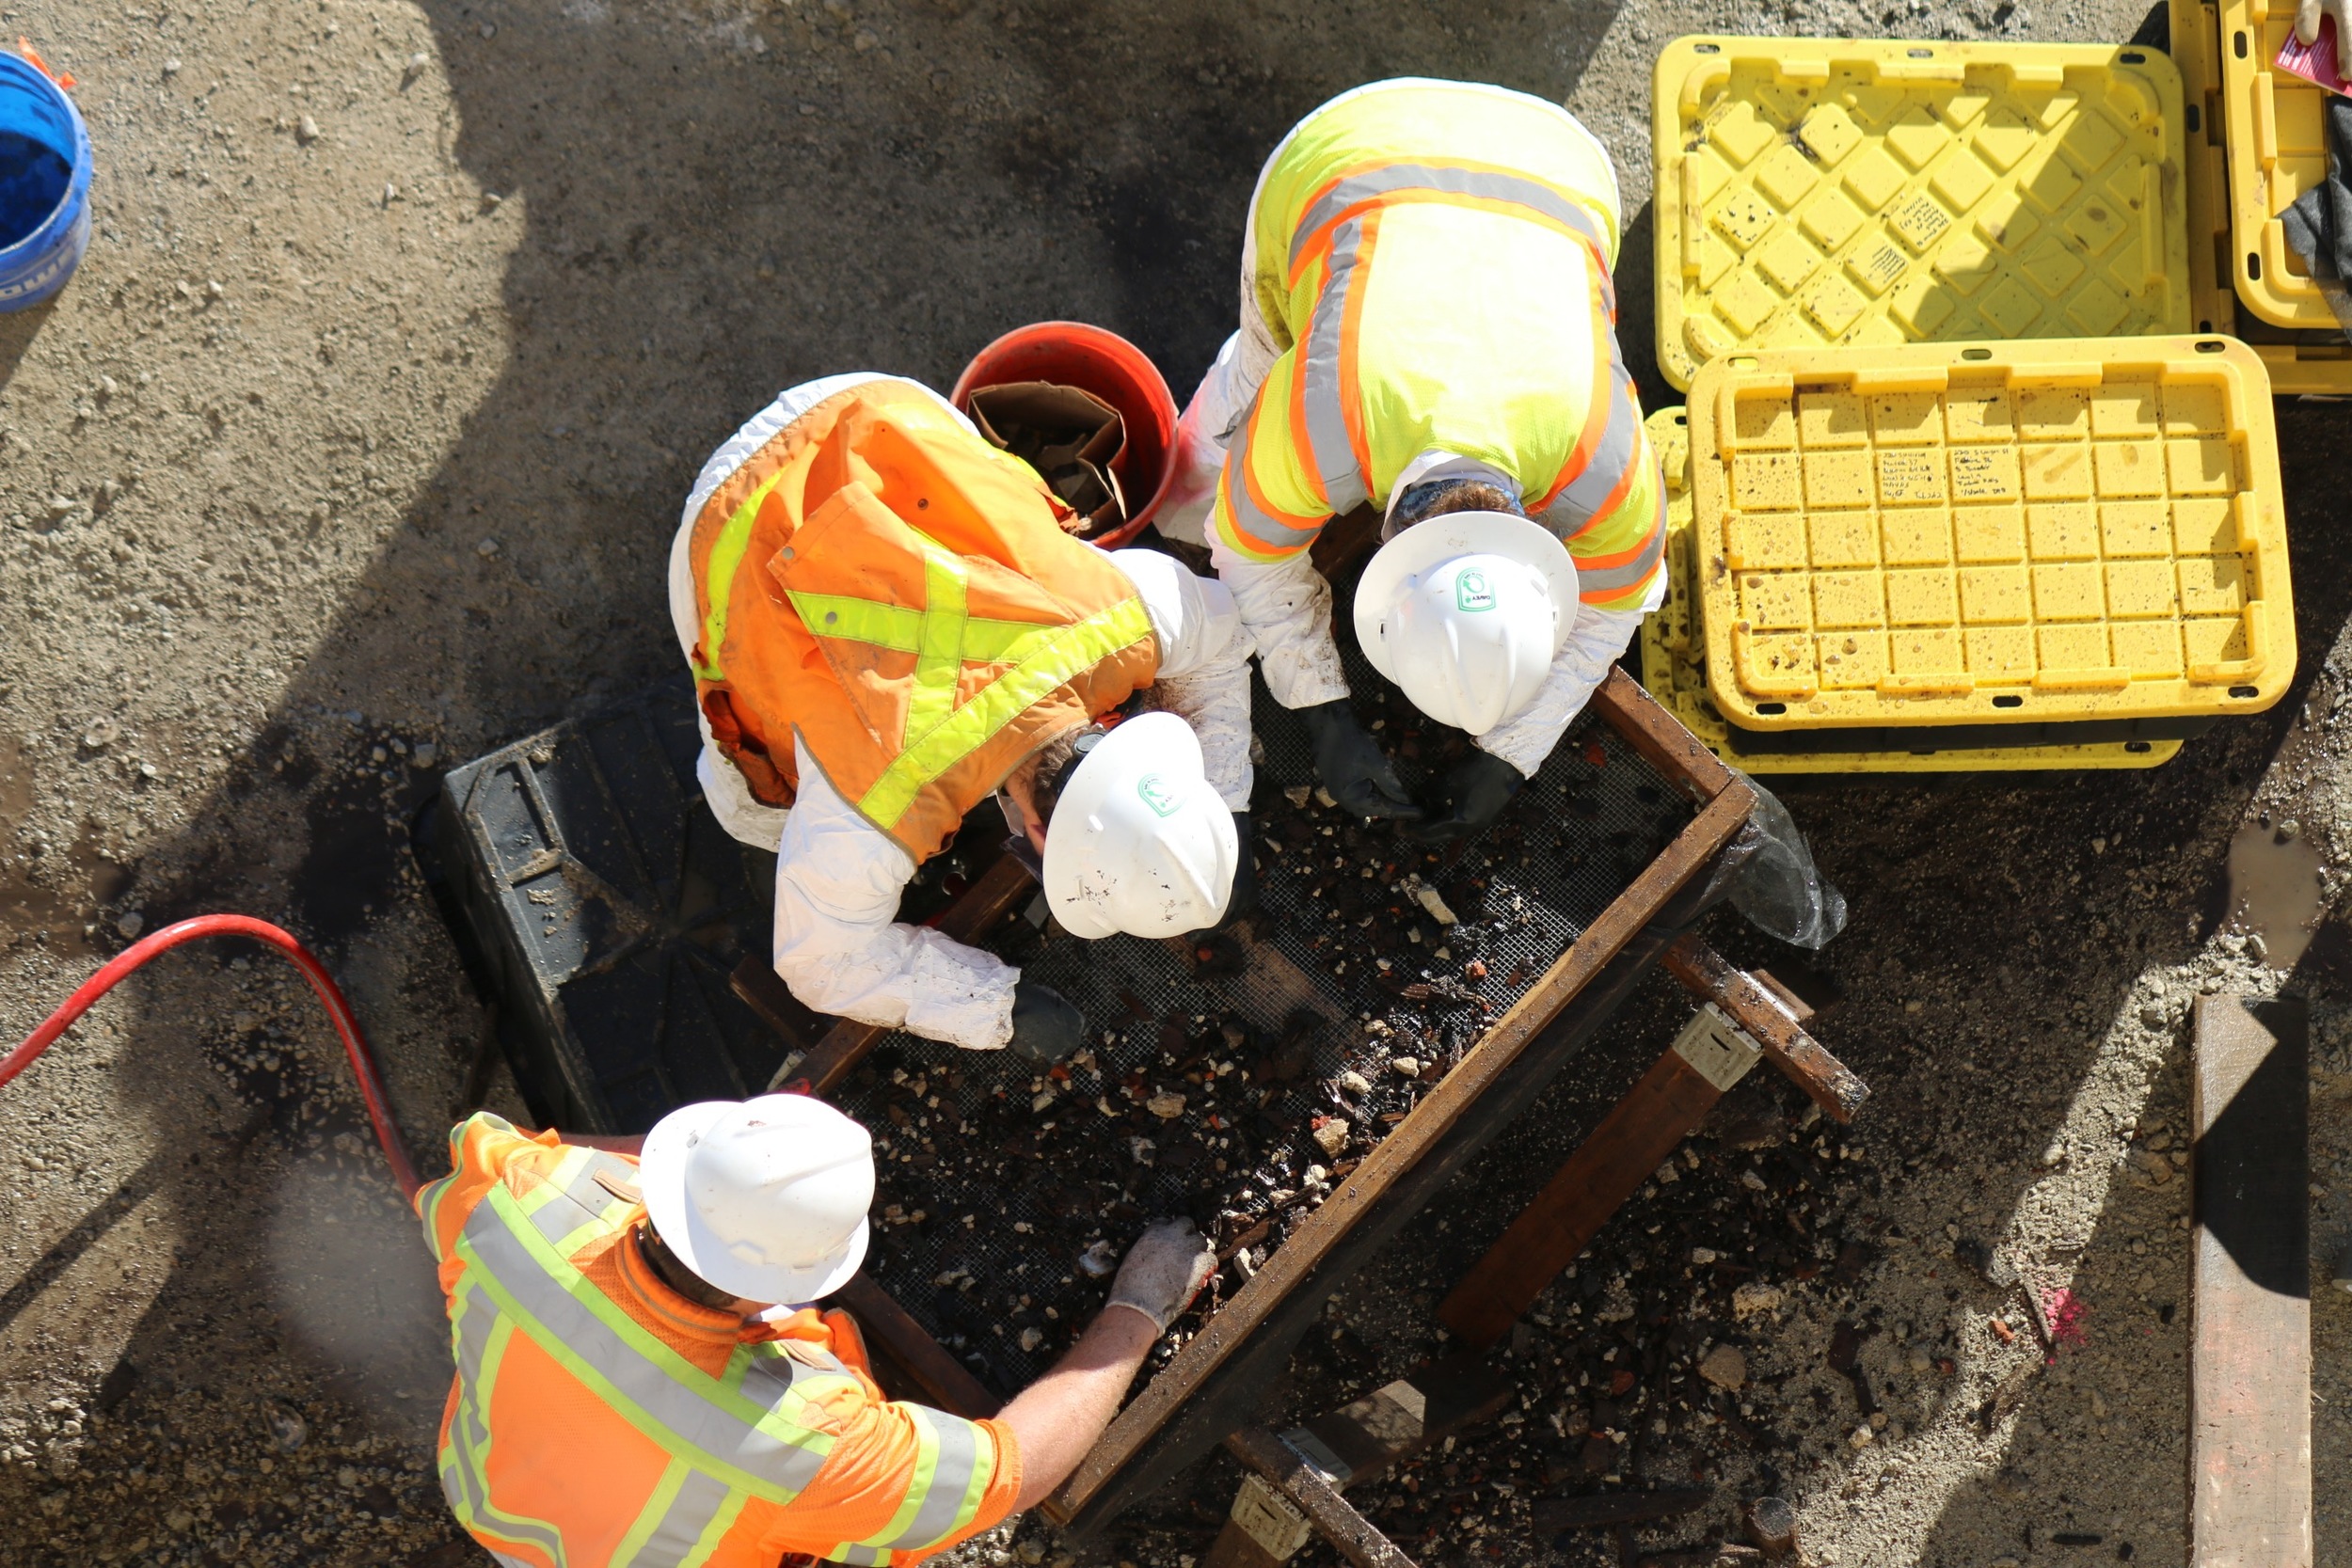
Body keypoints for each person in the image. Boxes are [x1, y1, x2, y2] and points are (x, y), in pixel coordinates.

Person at [672, 372, 1258, 1065]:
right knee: (753, 805)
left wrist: (1221, 802)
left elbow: (1222, 640)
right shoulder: (875, 807)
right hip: (729, 518)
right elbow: (815, 961)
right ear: (1036, 830)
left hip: (874, 412)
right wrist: (993, 1006)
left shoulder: (1133, 614)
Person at [1157, 78, 1668, 845]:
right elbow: (1250, 554)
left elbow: (1615, 607)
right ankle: (1186, 466)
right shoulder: (1316, 425)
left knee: (1270, 463)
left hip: (1563, 167)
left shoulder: (1614, 471)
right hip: (1350, 154)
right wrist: (1319, 708)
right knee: (1260, 376)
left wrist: (1512, 752)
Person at [416, 1094, 1216, 1568]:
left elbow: (474, 1155)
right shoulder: (806, 1442)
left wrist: (700, 1168)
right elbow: (1005, 1474)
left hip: (490, 1496)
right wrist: (1135, 1313)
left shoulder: (519, 1198)